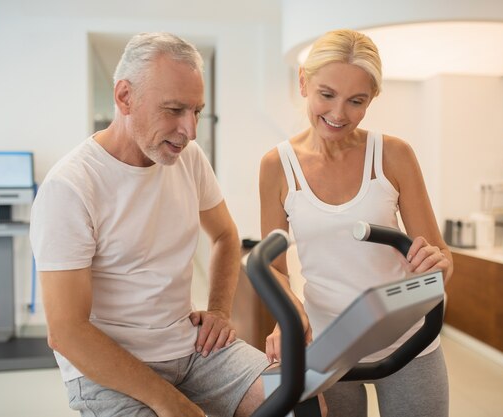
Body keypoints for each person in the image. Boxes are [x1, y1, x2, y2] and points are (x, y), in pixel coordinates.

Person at [30, 32, 270, 417]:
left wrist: (219, 311)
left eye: (196, 111)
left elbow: (226, 235)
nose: (190, 130)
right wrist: (170, 402)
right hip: (107, 370)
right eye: (174, 110)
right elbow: (66, 332)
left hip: (190, 349)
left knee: (301, 399)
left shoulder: (189, 158)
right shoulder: (71, 186)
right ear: (125, 97)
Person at [259, 29, 453, 417]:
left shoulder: (394, 155)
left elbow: (439, 255)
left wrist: (439, 266)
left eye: (356, 101)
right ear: (303, 84)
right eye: (326, 94)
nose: (338, 114)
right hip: (329, 344)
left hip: (409, 340)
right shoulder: (276, 165)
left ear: (372, 99)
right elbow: (273, 269)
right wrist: (288, 319)